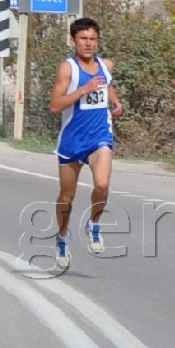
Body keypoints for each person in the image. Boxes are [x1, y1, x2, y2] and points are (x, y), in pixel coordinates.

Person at [49, 17, 124, 271]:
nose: (88, 44)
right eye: (83, 39)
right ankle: (62, 236)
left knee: (102, 184)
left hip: (99, 137)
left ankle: (94, 225)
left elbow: (107, 85)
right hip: (72, 140)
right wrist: (82, 90)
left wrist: (115, 102)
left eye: (93, 39)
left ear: (98, 41)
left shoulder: (106, 65)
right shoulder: (67, 69)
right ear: (73, 41)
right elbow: (55, 106)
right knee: (67, 197)